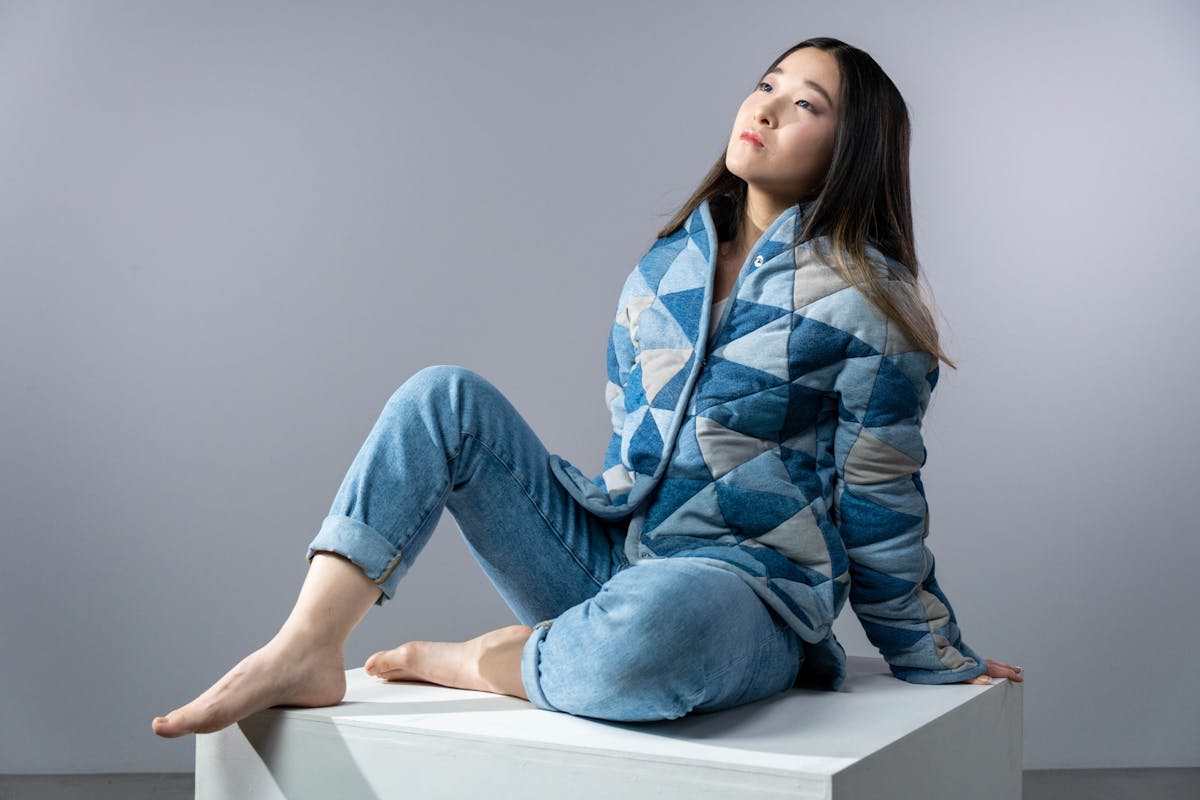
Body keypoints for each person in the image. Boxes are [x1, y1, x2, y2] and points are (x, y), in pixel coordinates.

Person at [152, 36, 1023, 739]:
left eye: (806, 104)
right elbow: (629, 449)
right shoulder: (663, 268)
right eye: (768, 83)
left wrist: (933, 653)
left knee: (652, 629)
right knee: (440, 396)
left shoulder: (873, 300)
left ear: (850, 149)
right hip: (617, 561)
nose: (765, 106)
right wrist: (605, 547)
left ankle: (488, 662)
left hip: (745, 595)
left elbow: (879, 494)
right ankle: (308, 645)